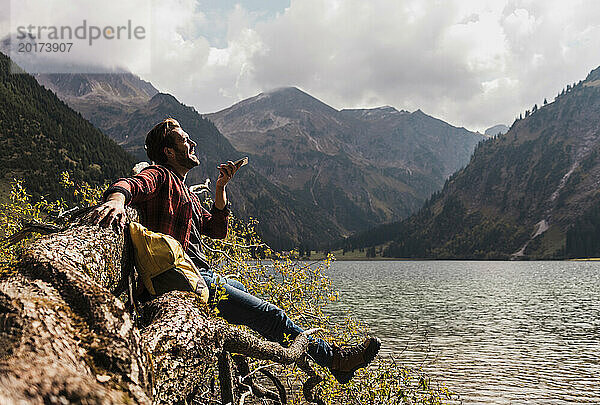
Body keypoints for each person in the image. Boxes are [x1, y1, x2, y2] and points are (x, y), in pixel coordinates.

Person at [90, 118, 380, 384]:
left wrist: (220, 188)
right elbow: (132, 184)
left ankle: (286, 348)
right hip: (187, 279)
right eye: (184, 140)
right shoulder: (161, 175)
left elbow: (216, 230)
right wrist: (116, 200)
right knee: (271, 316)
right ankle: (335, 360)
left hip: (204, 274)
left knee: (243, 292)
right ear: (168, 151)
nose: (192, 144)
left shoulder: (186, 191)